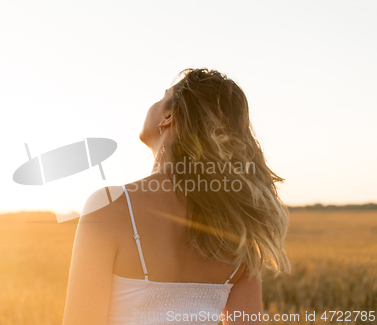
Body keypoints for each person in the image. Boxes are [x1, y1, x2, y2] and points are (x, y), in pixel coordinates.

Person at [62, 68, 291, 325]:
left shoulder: (109, 205)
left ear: (168, 116)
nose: (156, 102)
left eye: (164, 96)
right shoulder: (239, 229)